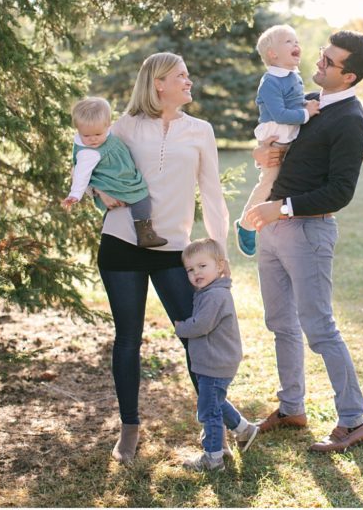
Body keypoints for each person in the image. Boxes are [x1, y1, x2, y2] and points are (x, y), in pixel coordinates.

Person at [244, 29, 363, 453]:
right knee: (279, 323)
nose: (318, 63)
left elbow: (341, 192)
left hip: (307, 231)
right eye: (321, 55)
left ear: (349, 76)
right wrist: (261, 155)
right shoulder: (304, 105)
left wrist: (280, 208)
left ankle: (353, 421)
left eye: (329, 61)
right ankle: (291, 408)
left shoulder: (351, 121)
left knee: (319, 328)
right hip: (273, 231)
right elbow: (277, 148)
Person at [93, 52, 230, 466]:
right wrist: (99, 191)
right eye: (182, 76)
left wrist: (219, 254)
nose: (190, 82)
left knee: (196, 339)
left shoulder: (200, 130)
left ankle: (215, 430)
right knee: (128, 338)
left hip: (175, 251)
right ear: (158, 83)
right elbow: (89, 158)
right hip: (121, 243)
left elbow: (212, 194)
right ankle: (129, 428)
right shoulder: (125, 126)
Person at [174, 238, 260, 471]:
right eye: (190, 269)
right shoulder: (210, 291)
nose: (196, 273)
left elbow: (202, 325)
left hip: (215, 361)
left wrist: (181, 327)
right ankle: (244, 429)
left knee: (209, 411)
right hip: (215, 359)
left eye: (202, 266)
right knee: (215, 401)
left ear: (219, 266)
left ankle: (213, 458)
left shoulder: (214, 296)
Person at [235, 24, 321, 257]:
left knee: (285, 182)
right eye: (288, 42)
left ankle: (277, 224)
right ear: (273, 54)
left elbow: (293, 101)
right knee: (269, 181)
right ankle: (245, 224)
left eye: (296, 41)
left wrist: (304, 105)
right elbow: (280, 114)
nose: (296, 45)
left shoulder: (293, 75)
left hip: (289, 136)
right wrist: (307, 112)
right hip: (275, 137)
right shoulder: (270, 82)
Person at [61, 97, 167, 249]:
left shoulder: (108, 129)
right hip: (114, 183)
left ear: (108, 125)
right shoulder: (88, 153)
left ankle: (112, 228)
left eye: (97, 134)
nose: (92, 140)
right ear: (78, 130)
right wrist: (75, 194)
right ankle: (146, 234)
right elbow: (80, 175)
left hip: (118, 175)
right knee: (141, 197)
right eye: (86, 136)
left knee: (119, 213)